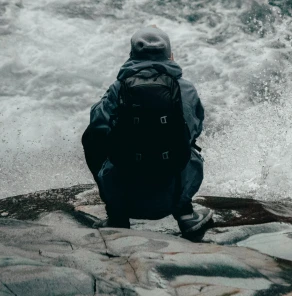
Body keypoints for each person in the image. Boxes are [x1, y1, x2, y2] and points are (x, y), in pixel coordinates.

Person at [81, 26, 213, 237]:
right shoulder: (186, 88)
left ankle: (116, 216)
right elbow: (195, 128)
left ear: (132, 55)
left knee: (91, 138)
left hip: (127, 195)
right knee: (190, 144)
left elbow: (97, 127)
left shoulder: (119, 88)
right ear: (170, 54)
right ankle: (186, 213)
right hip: (172, 194)